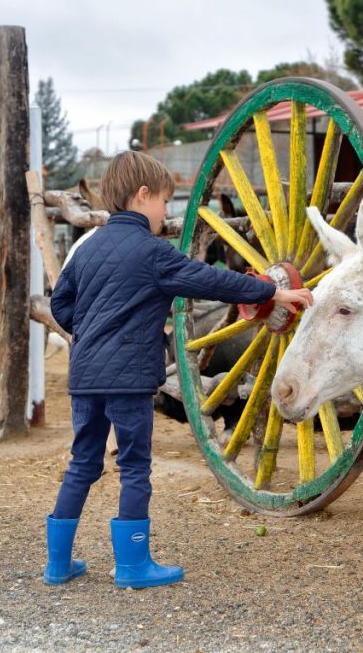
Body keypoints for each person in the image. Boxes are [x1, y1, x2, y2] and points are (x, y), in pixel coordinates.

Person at [44, 151, 313, 588]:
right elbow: (213, 280)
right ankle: (132, 566)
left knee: (83, 463)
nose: (165, 212)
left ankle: (57, 565)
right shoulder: (154, 253)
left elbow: (60, 304)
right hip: (129, 377)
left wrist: (91, 331)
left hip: (85, 376)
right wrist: (271, 292)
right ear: (143, 195)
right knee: (134, 466)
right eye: (164, 202)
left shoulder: (87, 248)